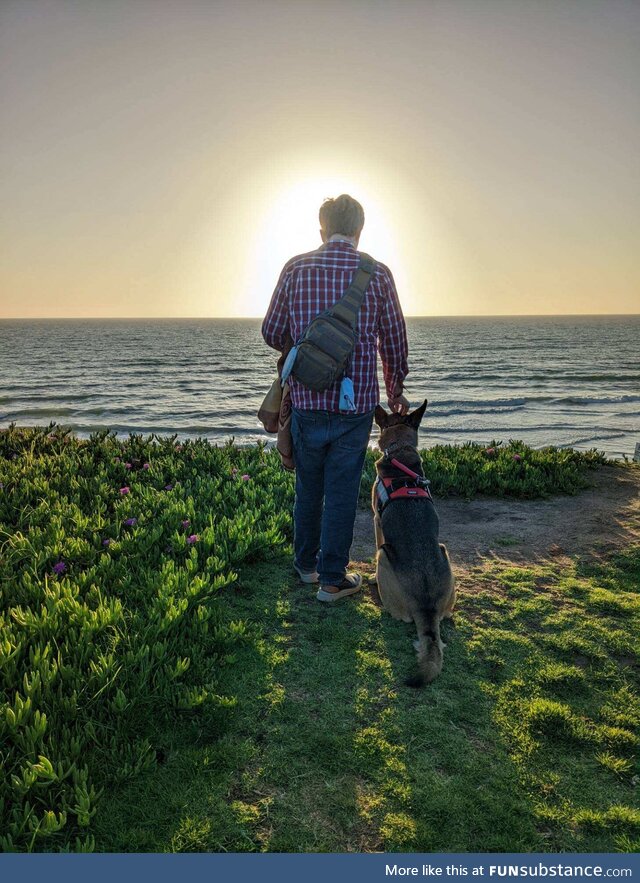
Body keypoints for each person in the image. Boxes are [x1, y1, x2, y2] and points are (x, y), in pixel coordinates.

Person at [261, 194, 409, 602]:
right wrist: (395, 390)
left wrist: (308, 342)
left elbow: (271, 332)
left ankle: (306, 567)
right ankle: (332, 580)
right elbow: (394, 342)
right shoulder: (376, 274)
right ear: (359, 232)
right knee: (342, 490)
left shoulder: (295, 268)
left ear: (322, 229)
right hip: (355, 403)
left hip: (307, 399)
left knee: (308, 486)